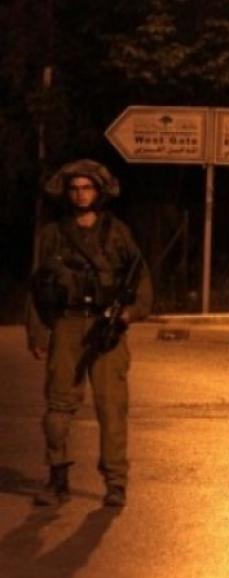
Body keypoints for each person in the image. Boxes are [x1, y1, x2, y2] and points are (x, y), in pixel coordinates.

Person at [27, 159, 153, 508]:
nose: (80, 195)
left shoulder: (117, 232)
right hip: (66, 325)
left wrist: (128, 314)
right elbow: (37, 286)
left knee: (112, 408)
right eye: (74, 188)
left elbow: (141, 280)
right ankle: (57, 479)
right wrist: (37, 333)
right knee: (58, 407)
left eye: (87, 188)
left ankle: (115, 481)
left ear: (98, 192)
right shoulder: (52, 234)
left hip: (106, 326)